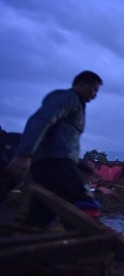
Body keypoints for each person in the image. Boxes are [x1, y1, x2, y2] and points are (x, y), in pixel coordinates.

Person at [5, 70, 103, 228]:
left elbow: (62, 143)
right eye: (94, 89)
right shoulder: (66, 97)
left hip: (52, 163)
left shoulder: (77, 104)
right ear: (83, 84)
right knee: (86, 204)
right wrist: (24, 154)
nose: (95, 94)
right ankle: (88, 245)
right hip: (55, 164)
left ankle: (31, 241)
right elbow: (40, 120)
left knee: (43, 210)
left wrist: (80, 163)